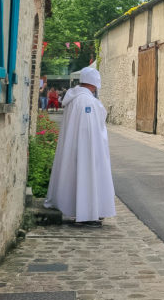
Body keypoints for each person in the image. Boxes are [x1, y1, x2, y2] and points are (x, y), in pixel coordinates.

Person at [43, 66, 116, 227]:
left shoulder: (75, 98)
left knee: (76, 176)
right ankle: (87, 213)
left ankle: (87, 210)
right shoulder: (86, 101)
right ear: (94, 83)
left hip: (76, 148)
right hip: (86, 150)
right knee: (86, 176)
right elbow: (89, 130)